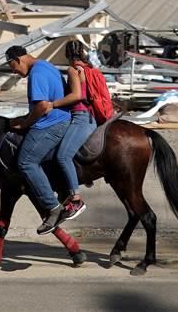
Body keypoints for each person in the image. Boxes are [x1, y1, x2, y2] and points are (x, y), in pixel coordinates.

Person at [6, 44, 71, 234]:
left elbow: (42, 106)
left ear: (18, 60)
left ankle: (54, 208)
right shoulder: (46, 65)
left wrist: (25, 123)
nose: (16, 73)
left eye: (13, 68)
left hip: (51, 124)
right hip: (58, 119)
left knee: (26, 162)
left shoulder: (36, 74)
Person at [50, 40, 98, 223]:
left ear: (67, 54)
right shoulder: (88, 68)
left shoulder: (73, 70)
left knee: (62, 156)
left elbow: (78, 95)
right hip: (89, 116)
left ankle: (76, 200)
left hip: (81, 117)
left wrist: (52, 104)